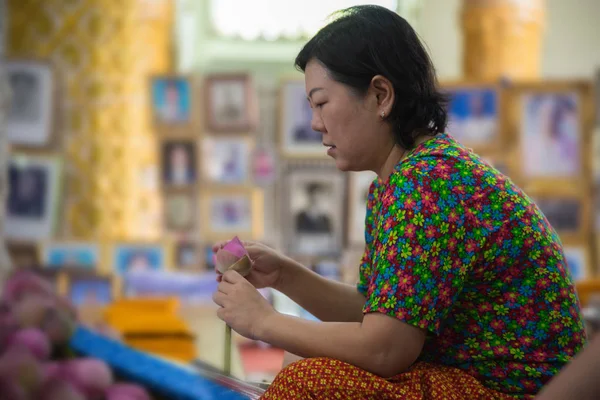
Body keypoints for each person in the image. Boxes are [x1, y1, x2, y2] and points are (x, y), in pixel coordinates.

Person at [211, 5, 585, 399]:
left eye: (321, 103)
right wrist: (285, 276)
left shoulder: (427, 183)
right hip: (474, 380)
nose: (315, 123)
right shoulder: (408, 179)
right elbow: (380, 313)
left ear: (380, 95)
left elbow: (386, 348)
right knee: (303, 360)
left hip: (515, 391)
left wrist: (264, 322)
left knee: (305, 379)